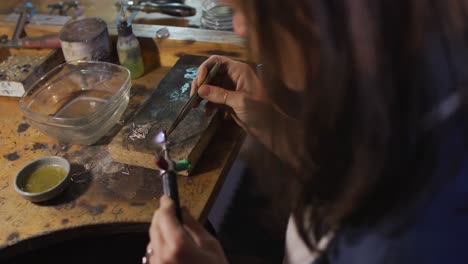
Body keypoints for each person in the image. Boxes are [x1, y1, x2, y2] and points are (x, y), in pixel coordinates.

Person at [146, 0, 468, 263]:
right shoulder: (408, 70)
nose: (239, 28)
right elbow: (354, 169)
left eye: (247, 10)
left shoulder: (397, 243)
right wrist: (274, 126)